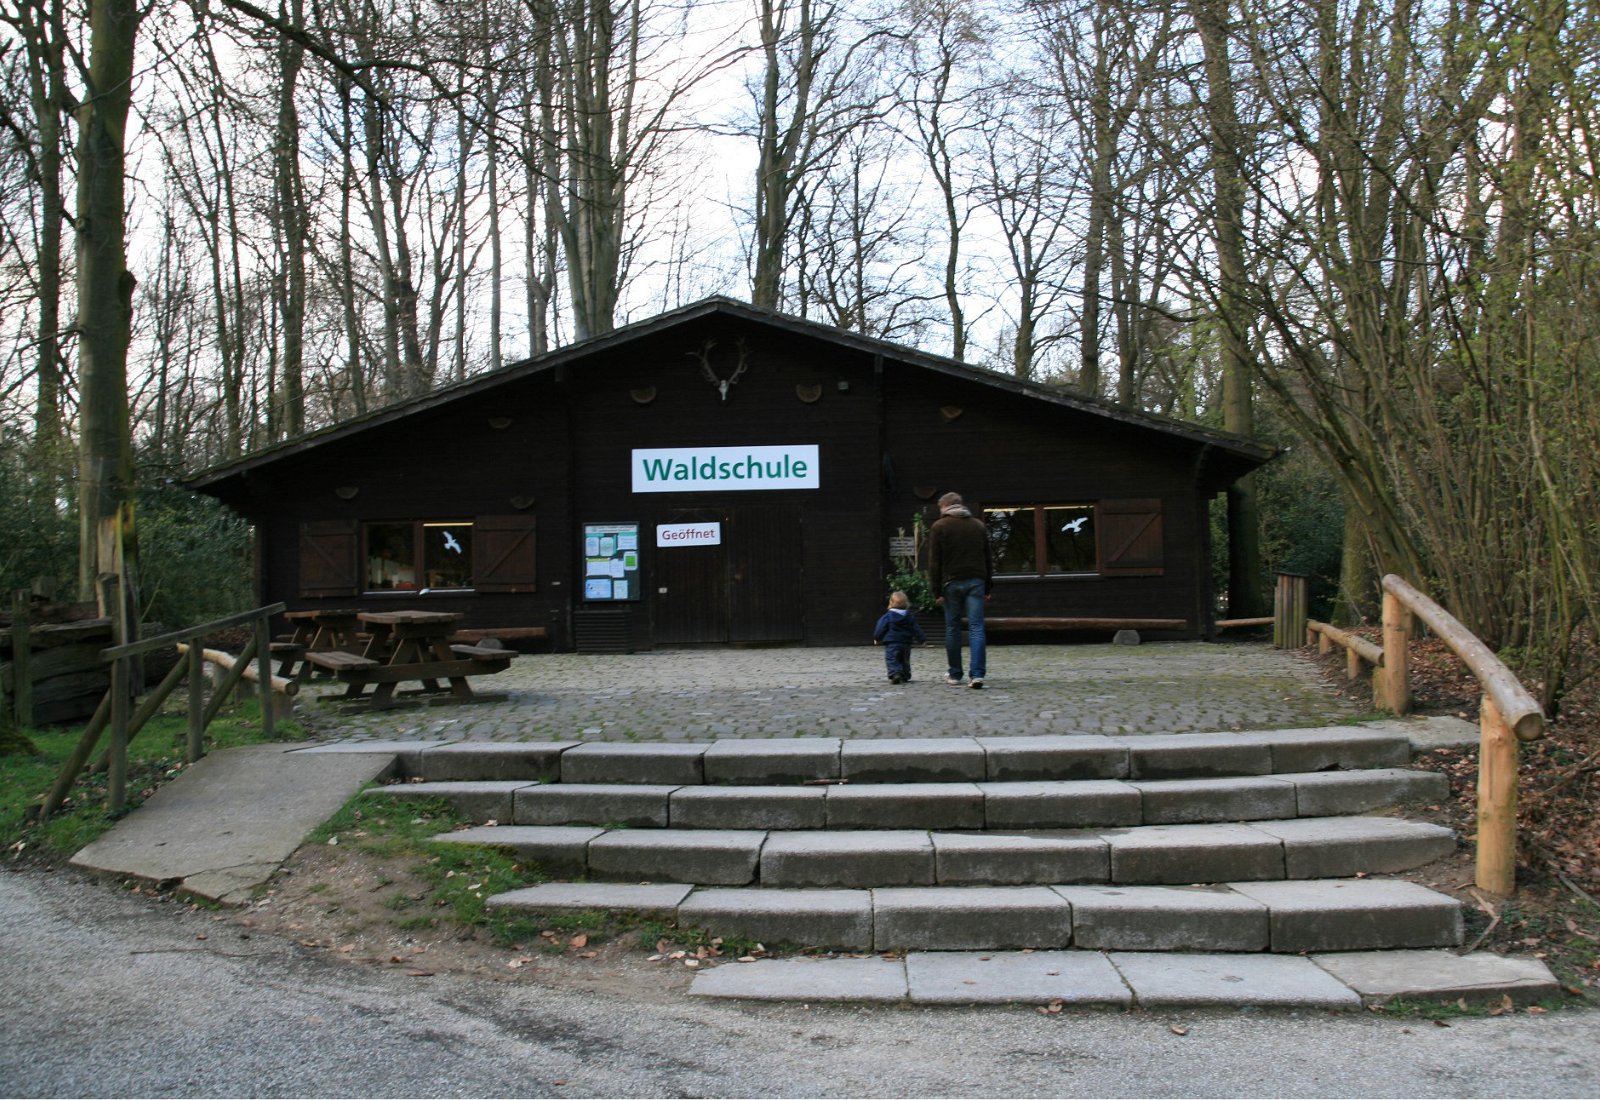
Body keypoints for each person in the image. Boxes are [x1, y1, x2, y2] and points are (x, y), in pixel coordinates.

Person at [927, 491, 992, 688]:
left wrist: (936, 590)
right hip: (976, 581)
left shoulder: (940, 526)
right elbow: (988, 558)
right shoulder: (978, 526)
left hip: (951, 582)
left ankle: (955, 674)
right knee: (977, 628)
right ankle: (977, 674)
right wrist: (988, 585)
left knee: (953, 627)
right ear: (961, 505)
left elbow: (934, 562)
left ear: (945, 506)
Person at [873, 590, 927, 684]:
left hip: (892, 642)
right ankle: (905, 675)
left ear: (890, 603)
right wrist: (922, 639)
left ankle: (896, 673)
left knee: (892, 658)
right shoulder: (909, 617)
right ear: (906, 604)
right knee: (904, 659)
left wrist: (877, 638)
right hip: (906, 642)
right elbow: (916, 629)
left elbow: (880, 628)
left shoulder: (888, 616)